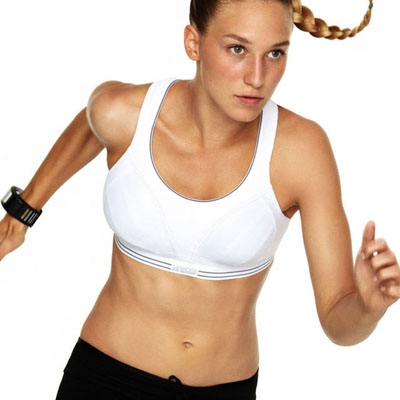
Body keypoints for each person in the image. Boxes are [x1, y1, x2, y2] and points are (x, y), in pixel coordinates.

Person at [0, 0, 398, 399]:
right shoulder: (126, 114)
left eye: (275, 53)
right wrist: (22, 212)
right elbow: (91, 122)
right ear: (194, 43)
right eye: (237, 49)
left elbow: (338, 324)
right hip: (104, 378)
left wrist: (367, 309)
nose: (257, 77)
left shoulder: (301, 151)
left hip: (225, 390)